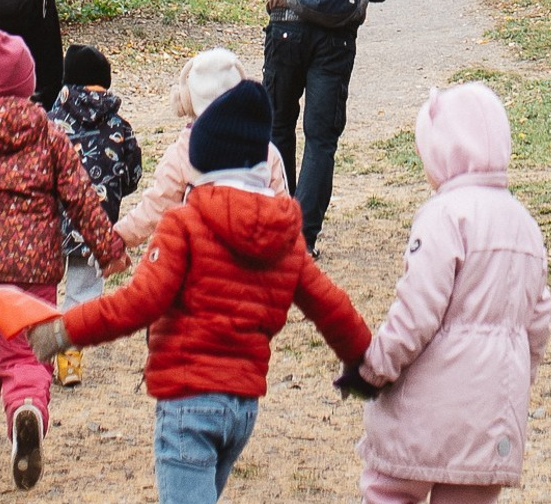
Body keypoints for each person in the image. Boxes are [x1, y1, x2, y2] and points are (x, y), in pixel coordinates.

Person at [31, 80, 373, 504]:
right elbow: (330, 305)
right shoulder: (284, 236)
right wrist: (366, 362)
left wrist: (64, 330)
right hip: (242, 406)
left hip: (188, 401)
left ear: (202, 158)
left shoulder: (184, 224)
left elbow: (139, 303)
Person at [0, 29, 125, 489]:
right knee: (28, 353)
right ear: (29, 82)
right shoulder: (49, 134)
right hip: (34, 268)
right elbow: (80, 197)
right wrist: (108, 250)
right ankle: (26, 411)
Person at [346, 83, 551, 504]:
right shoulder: (524, 224)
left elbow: (417, 310)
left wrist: (373, 367)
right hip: (490, 416)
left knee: (389, 489)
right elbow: (538, 321)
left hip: (424, 413)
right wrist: (513, 384)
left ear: (444, 153)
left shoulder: (444, 216)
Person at [243, 0, 397, 252]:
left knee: (277, 128)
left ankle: (279, 225)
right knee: (321, 138)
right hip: (337, 40)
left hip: (286, 29)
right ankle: (304, 238)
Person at [121, 48, 290, 251]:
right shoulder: (266, 150)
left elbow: (156, 206)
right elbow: (283, 211)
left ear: (187, 100)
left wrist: (118, 238)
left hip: (198, 260)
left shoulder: (181, 153)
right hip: (253, 260)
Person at [48, 42, 143, 385]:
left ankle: (31, 357)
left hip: (49, 224)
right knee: (83, 294)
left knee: (41, 292)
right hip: (96, 225)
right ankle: (69, 360)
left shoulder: (49, 122)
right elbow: (132, 175)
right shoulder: (119, 125)